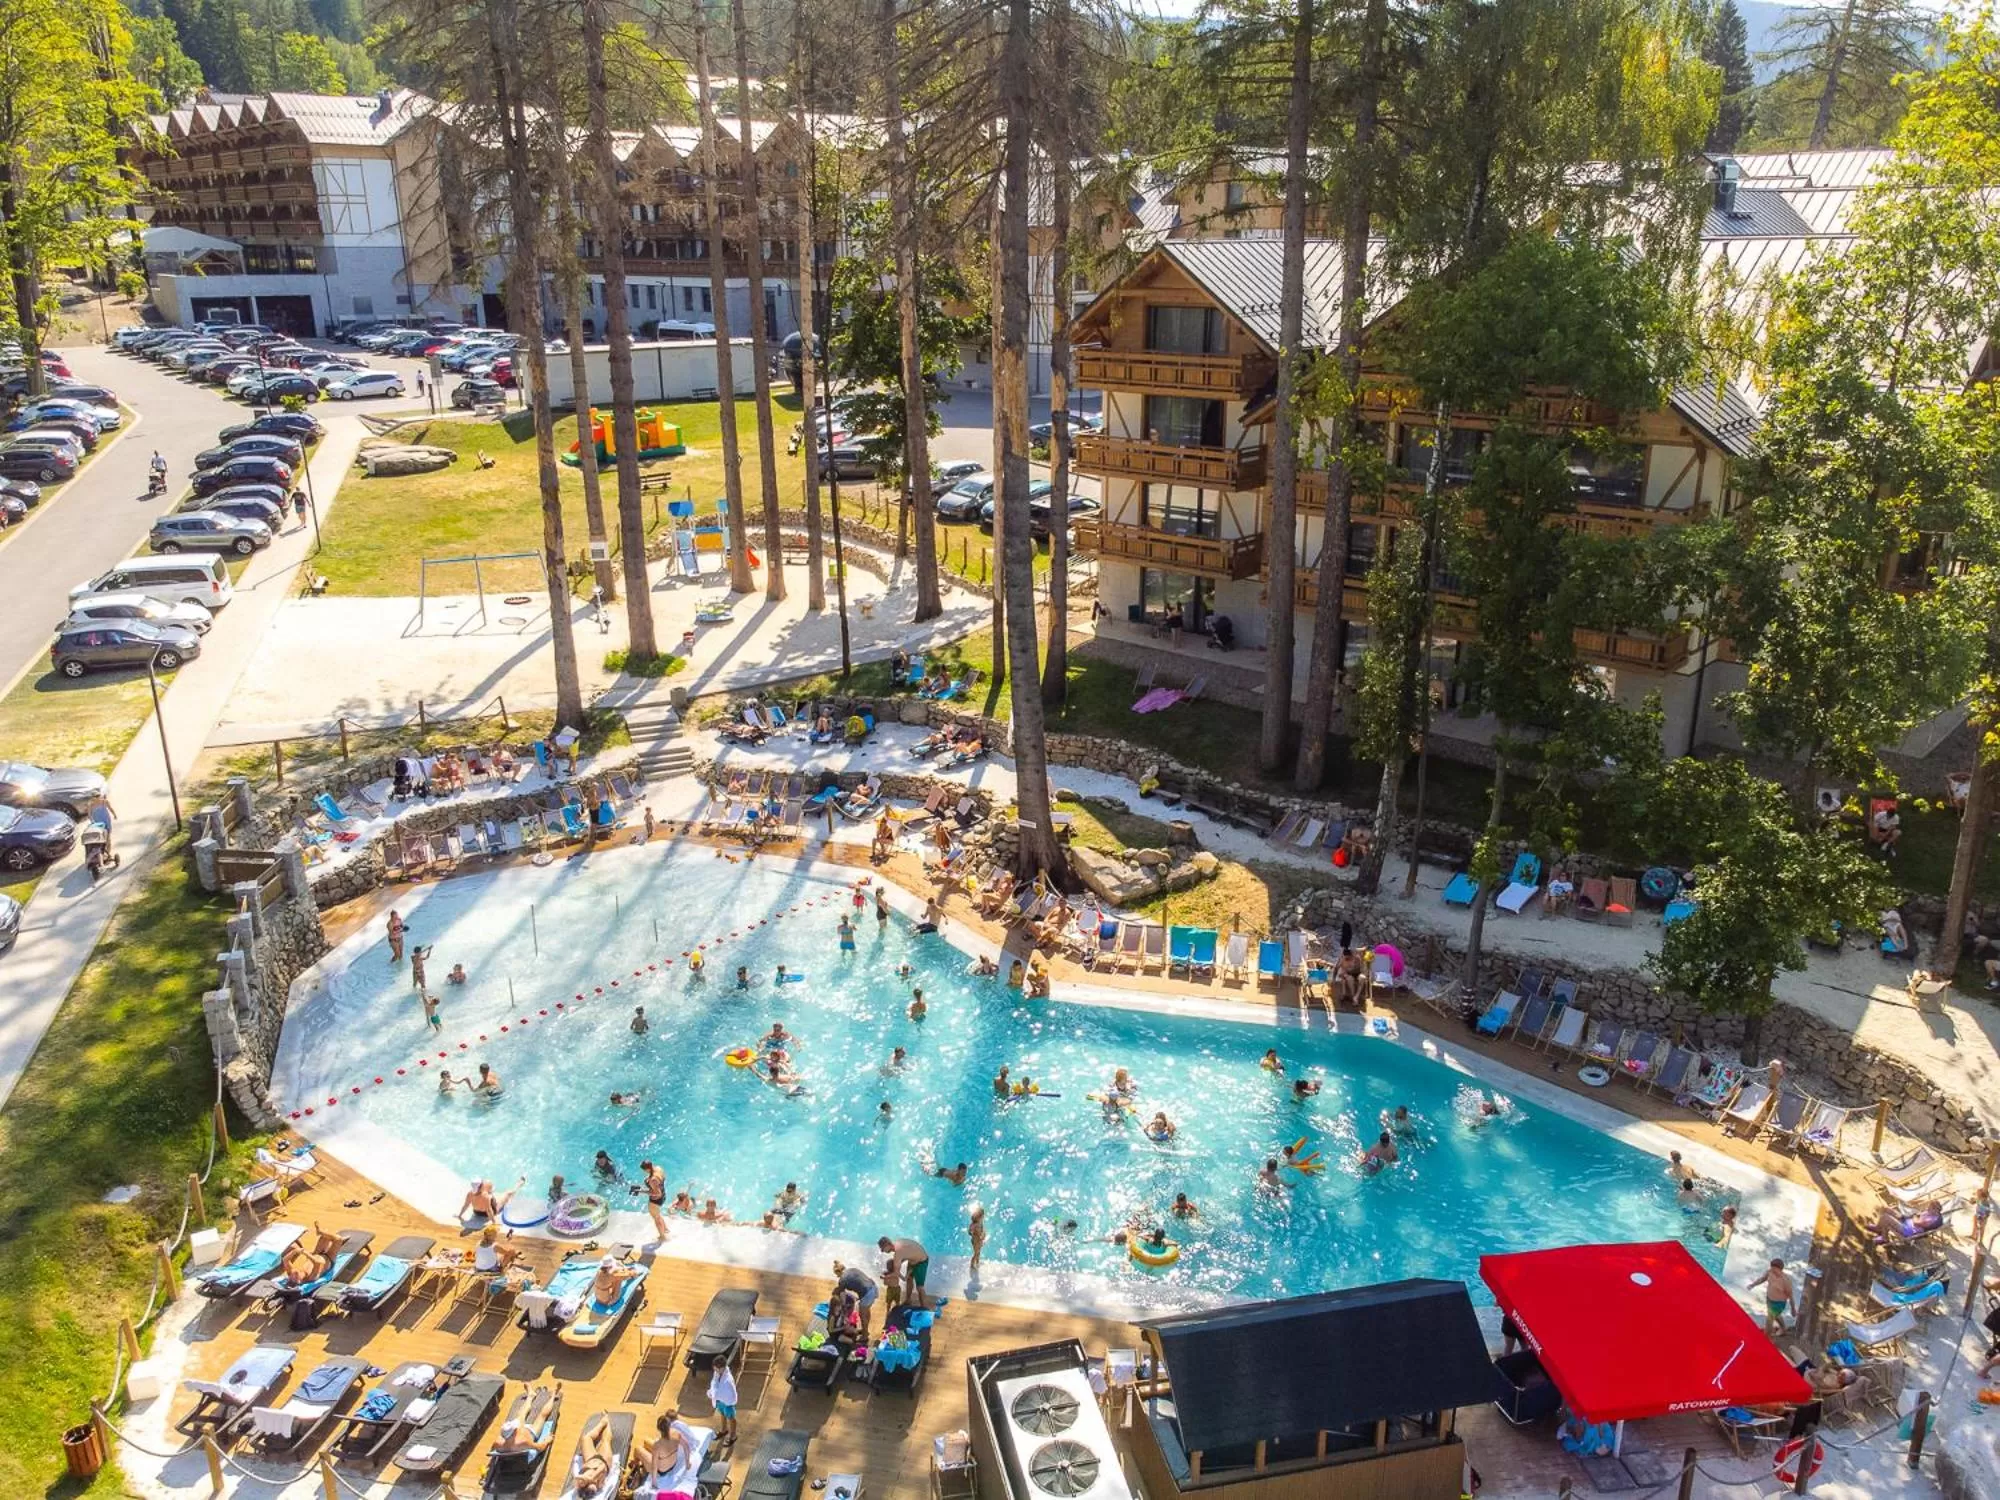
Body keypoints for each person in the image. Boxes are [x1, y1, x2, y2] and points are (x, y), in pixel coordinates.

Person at [569, 1413, 622, 1499]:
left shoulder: (580, 1483)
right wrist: (592, 1478)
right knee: (605, 1441)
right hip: (604, 1460)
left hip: (590, 1459)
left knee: (586, 1438)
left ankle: (602, 1423)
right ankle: (606, 1421)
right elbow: (602, 1467)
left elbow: (575, 1479)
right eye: (595, 1487)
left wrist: (586, 1479)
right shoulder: (599, 1484)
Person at [878, 1235, 931, 1309]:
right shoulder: (898, 1243)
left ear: (887, 1245)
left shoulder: (898, 1253)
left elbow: (896, 1274)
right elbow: (907, 1253)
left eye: (883, 1249)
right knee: (909, 1279)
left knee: (919, 1287)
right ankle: (908, 1300)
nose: (883, 1251)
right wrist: (897, 1265)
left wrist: (885, 1277)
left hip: (921, 1262)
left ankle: (924, 1307)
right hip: (913, 1260)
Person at [647, 1409, 697, 1485]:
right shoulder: (676, 1434)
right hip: (673, 1464)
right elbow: (686, 1447)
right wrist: (687, 1463)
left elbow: (654, 1466)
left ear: (658, 1429)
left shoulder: (657, 1445)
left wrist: (654, 1482)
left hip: (662, 1471)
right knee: (646, 1442)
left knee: (638, 1450)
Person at [1747, 1258, 1795, 1333]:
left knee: (1769, 1320)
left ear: (1779, 1269)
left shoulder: (1785, 1281)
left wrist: (1793, 1309)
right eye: (1771, 1267)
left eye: (1773, 1268)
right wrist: (1753, 1285)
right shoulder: (1770, 1272)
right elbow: (1762, 1279)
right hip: (1769, 1300)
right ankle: (1783, 1329)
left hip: (1778, 1304)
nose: (1771, 1269)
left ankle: (1766, 1338)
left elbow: (1790, 1296)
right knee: (1776, 1316)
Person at [709, 1352, 739, 1447]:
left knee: (731, 1418)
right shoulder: (717, 1373)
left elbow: (731, 1393)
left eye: (716, 1368)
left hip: (728, 1403)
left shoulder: (728, 1380)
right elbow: (714, 1382)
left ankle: (733, 1436)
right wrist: (713, 1393)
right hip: (720, 1400)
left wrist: (716, 1394)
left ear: (722, 1368)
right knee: (722, 1413)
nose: (715, 1370)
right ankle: (724, 1430)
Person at [640, 1160, 668, 1241]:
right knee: (658, 1215)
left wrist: (642, 1191)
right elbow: (662, 1180)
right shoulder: (659, 1168)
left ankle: (662, 1237)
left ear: (647, 1169)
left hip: (655, 1201)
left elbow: (657, 1193)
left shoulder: (653, 1179)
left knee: (656, 1218)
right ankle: (665, 1229)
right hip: (663, 1195)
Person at [968, 1205, 987, 1269]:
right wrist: (971, 1232)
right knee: (976, 1253)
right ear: (978, 1217)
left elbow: (982, 1230)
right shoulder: (974, 1224)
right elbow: (969, 1231)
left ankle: (977, 1262)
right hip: (975, 1240)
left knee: (978, 1252)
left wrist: (984, 1235)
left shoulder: (980, 1223)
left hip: (979, 1240)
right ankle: (972, 1265)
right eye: (982, 1216)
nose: (983, 1217)